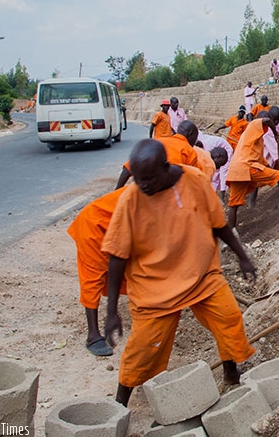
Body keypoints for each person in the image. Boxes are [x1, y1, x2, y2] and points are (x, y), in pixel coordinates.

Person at [103, 139, 257, 407]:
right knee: (142, 350)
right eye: (138, 180)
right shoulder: (131, 199)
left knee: (229, 319)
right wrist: (111, 310)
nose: (144, 185)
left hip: (201, 275)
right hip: (155, 287)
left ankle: (231, 373)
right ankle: (119, 405)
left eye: (149, 178)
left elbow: (218, 224)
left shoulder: (194, 180)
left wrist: (242, 256)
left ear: (166, 167)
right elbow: (117, 256)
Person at [67, 188, 128, 357]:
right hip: (94, 226)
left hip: (116, 229)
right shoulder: (147, 193)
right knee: (93, 278)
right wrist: (112, 311)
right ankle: (92, 335)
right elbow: (119, 256)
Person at [225, 114, 279, 231]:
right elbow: (267, 120)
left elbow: (264, 163)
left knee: (233, 204)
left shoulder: (255, 139)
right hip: (247, 166)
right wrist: (275, 134)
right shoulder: (253, 126)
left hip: (236, 171)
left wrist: (271, 171)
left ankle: (230, 233)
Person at [116, 120, 203, 188]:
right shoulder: (190, 152)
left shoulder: (157, 142)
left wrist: (117, 191)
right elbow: (194, 181)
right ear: (190, 134)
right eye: (195, 138)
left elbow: (127, 170)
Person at [199, 132, 233, 200]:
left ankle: (221, 197)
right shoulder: (199, 143)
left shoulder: (208, 146)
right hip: (218, 155)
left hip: (225, 153)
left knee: (223, 173)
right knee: (213, 174)